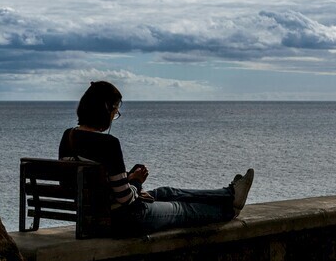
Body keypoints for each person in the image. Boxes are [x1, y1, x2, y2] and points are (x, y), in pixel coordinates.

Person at [59, 81, 254, 235]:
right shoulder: (109, 144)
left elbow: (84, 185)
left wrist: (129, 181)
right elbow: (125, 198)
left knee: (167, 191)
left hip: (91, 217)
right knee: (180, 209)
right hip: (123, 219)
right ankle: (229, 211)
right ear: (105, 109)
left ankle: (229, 194)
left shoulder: (68, 136)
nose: (114, 116)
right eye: (115, 111)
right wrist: (135, 182)